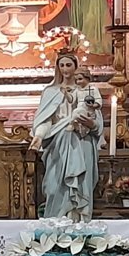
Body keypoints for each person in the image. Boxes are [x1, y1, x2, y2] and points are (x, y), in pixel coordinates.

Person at [28, 52, 102, 221]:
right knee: (54, 187)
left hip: (82, 142)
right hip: (58, 143)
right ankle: (56, 222)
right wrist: (38, 136)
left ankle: (79, 223)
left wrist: (91, 124)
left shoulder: (87, 90)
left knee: (81, 185)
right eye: (61, 65)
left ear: (76, 67)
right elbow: (45, 120)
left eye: (69, 65)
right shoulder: (50, 92)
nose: (65, 69)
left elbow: (96, 120)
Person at [71, 70, 102, 139]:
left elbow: (98, 100)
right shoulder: (77, 90)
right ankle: (76, 125)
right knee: (76, 113)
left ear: (87, 78)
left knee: (79, 114)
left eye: (80, 79)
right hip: (79, 109)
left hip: (89, 111)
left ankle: (84, 130)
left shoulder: (93, 89)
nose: (78, 82)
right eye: (76, 80)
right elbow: (72, 100)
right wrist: (66, 94)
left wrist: (93, 105)